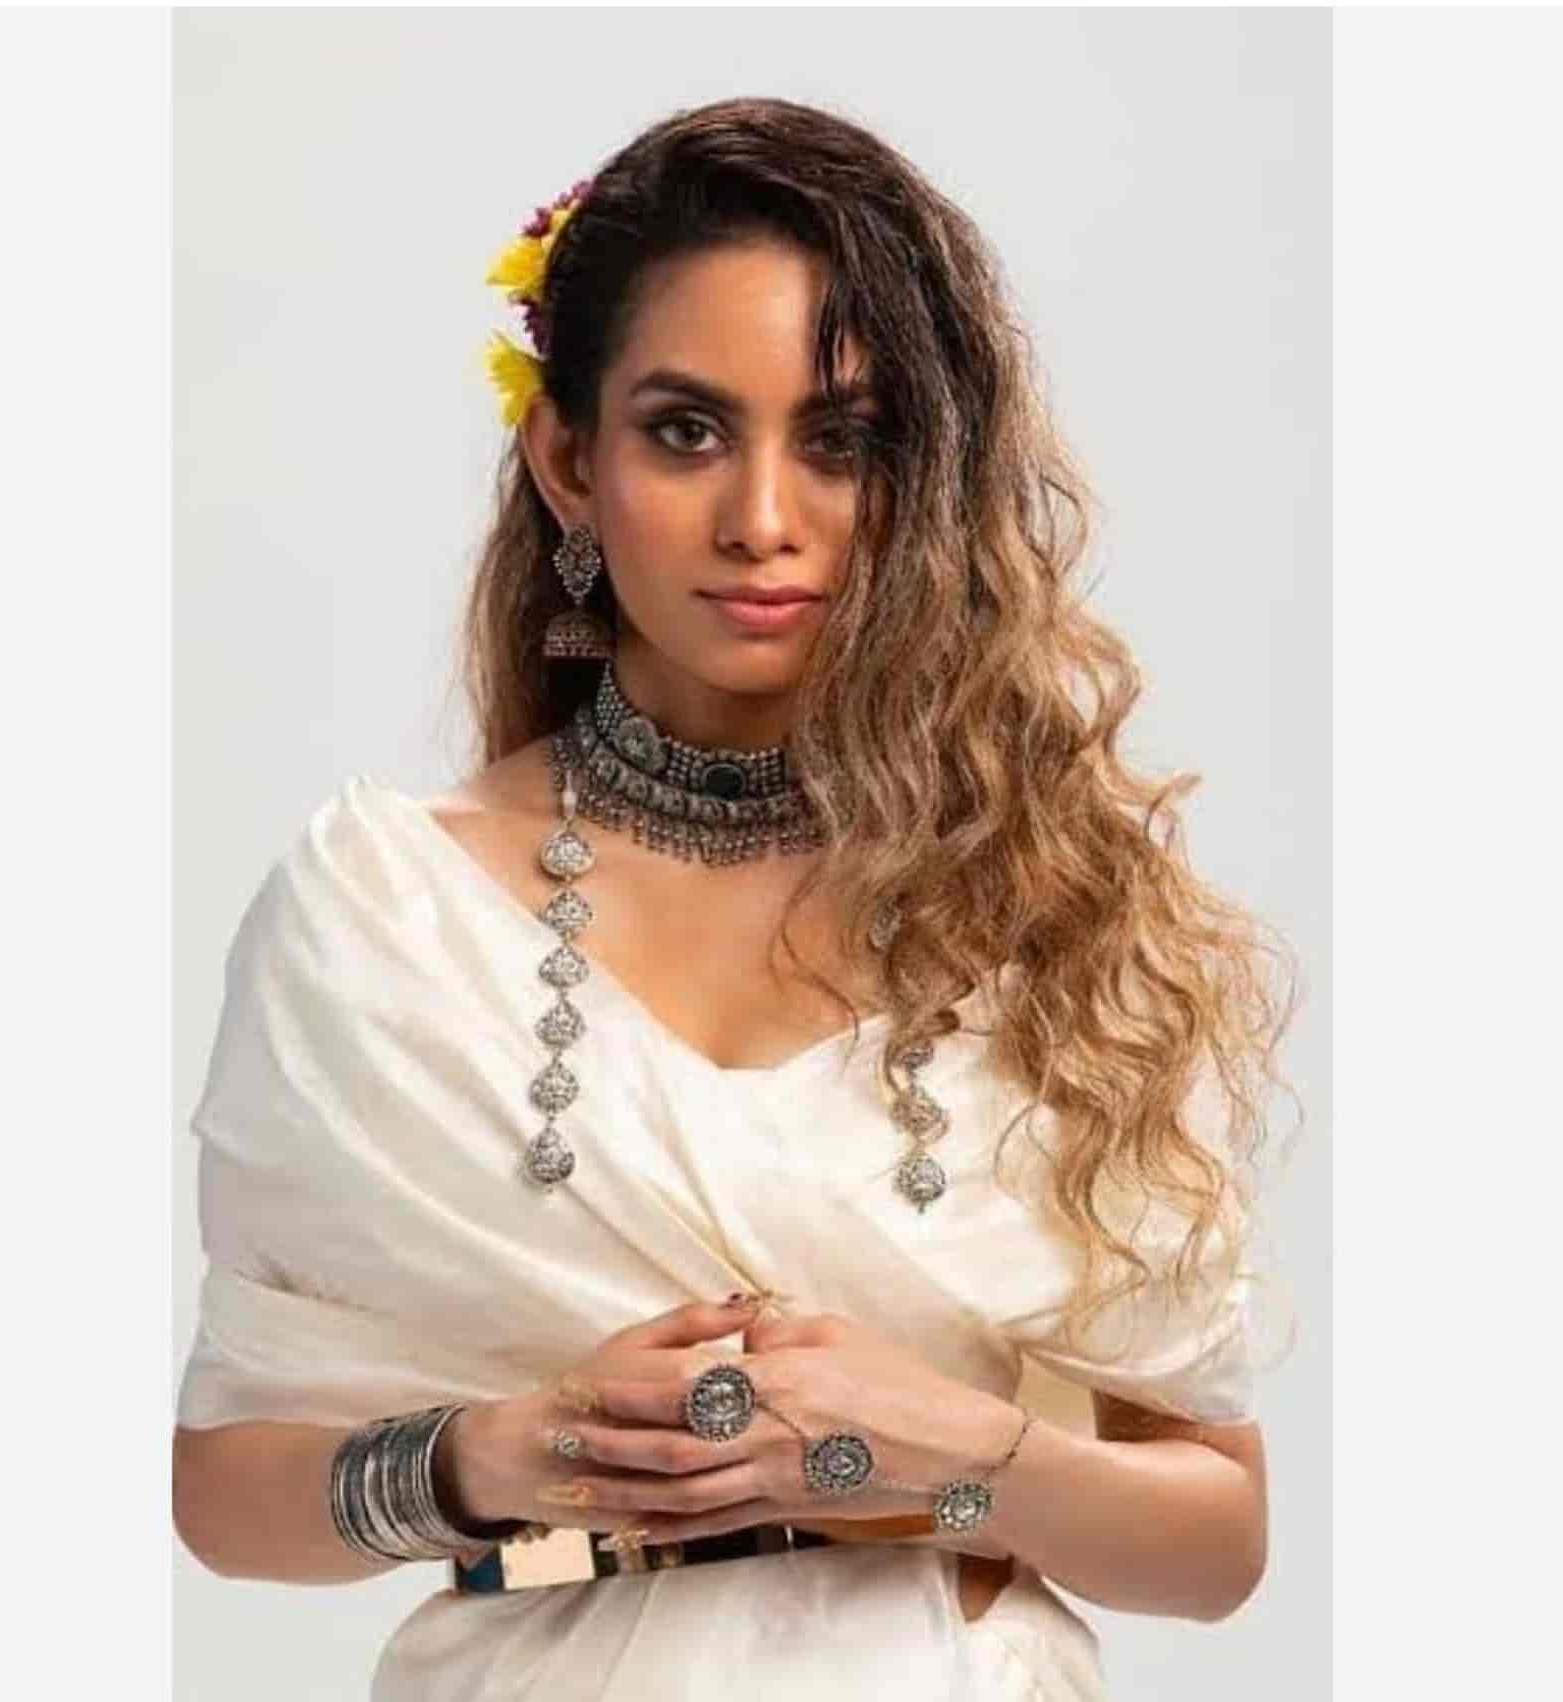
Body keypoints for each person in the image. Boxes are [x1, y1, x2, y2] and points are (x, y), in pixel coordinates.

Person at [173, 95, 1301, 1701]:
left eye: (839, 443)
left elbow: (1215, 1545)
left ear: (919, 477)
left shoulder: (1048, 907)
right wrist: (487, 1459)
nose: (764, 520)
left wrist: (941, 1459)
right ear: (569, 460)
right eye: (686, 432)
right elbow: (224, 1495)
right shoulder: (383, 908)